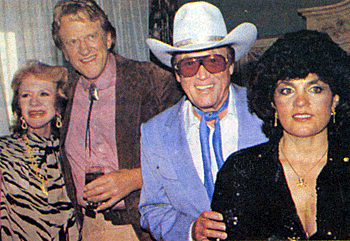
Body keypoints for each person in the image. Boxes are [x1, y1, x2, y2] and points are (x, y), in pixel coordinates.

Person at [51, 0, 183, 240]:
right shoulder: (62, 95)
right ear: (64, 53)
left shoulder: (152, 81)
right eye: (72, 42)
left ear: (109, 38)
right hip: (88, 228)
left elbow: (189, 153)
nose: (84, 49)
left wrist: (134, 178)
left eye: (91, 36)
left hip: (143, 229)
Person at [139, 2, 268, 240]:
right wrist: (190, 231)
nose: (202, 74)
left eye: (213, 61)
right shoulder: (154, 132)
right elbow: (152, 209)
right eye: (189, 65)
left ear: (230, 65)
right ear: (177, 75)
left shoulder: (265, 113)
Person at [211, 30, 350, 240]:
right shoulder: (241, 172)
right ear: (272, 102)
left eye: (315, 89)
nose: (301, 102)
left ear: (335, 99)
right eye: (287, 90)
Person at [0, 61, 80, 240]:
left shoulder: (74, 150)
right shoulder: (3, 152)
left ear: (58, 103)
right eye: (26, 95)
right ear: (18, 105)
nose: (34, 102)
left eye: (44, 94)